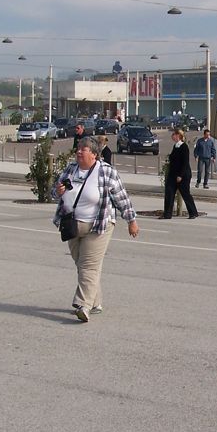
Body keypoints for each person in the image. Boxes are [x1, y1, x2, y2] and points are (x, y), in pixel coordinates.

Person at [53, 137, 139, 322]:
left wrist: (131, 220)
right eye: (78, 149)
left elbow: (121, 198)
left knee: (88, 266)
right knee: (81, 265)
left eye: (83, 149)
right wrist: (57, 191)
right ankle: (96, 302)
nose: (78, 152)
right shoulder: (70, 169)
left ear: (94, 154)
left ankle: (83, 305)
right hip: (72, 224)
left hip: (99, 225)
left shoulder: (106, 172)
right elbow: (55, 192)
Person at [162, 128, 198, 219]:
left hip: (182, 175)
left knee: (185, 193)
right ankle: (167, 214)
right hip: (173, 174)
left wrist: (180, 175)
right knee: (169, 193)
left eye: (174, 134)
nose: (172, 136)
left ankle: (193, 212)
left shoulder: (184, 147)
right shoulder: (175, 146)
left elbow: (185, 163)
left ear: (178, 136)